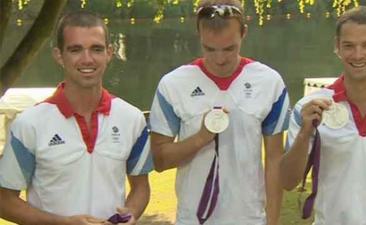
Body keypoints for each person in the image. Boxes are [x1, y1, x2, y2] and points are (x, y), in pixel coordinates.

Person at [0, 11, 153, 225]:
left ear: (109, 53)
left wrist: (131, 214)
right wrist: (62, 223)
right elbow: (4, 200)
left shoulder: (132, 118)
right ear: (59, 55)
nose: (87, 59)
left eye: (96, 49)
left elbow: (141, 186)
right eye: (75, 50)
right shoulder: (30, 124)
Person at [149, 0, 290, 224]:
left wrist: (271, 221)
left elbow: (274, 159)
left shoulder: (269, 82)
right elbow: (159, 161)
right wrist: (200, 138)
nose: (220, 59)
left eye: (229, 48)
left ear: (244, 32)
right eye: (210, 49)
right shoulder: (173, 85)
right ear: (199, 34)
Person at [281, 6, 366, 225]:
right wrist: (305, 133)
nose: (357, 55)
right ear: (337, 47)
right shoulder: (309, 106)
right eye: (348, 46)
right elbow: (288, 181)